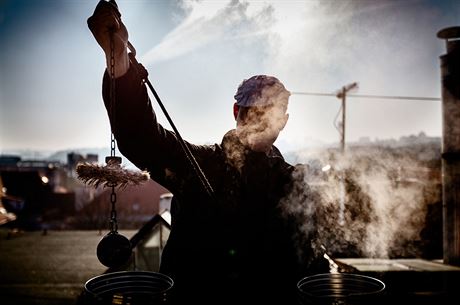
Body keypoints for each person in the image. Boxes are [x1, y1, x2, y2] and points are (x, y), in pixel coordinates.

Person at [87, 2, 324, 304]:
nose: (262, 121)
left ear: (285, 121)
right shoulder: (199, 165)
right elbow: (140, 137)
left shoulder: (292, 182)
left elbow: (309, 257)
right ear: (236, 111)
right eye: (254, 111)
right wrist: (119, 61)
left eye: (272, 113)